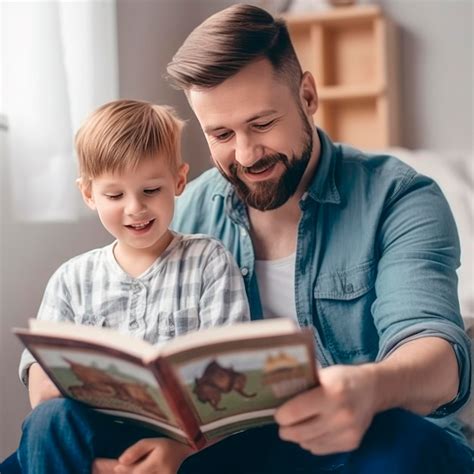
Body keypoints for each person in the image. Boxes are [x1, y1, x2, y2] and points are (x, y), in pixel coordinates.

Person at [163, 3, 473, 473]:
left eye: (263, 124)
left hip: (378, 439)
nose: (246, 155)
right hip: (249, 450)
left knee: (402, 442)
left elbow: (437, 355)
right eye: (221, 134)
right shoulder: (189, 212)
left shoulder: (399, 197)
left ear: (307, 95)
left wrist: (370, 388)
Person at [10, 99, 250, 474]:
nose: (135, 208)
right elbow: (43, 390)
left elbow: (231, 382)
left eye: (151, 190)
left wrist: (179, 449)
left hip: (189, 444)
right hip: (97, 441)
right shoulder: (73, 280)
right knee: (45, 425)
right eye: (115, 195)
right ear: (89, 194)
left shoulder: (209, 261)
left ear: (179, 181)